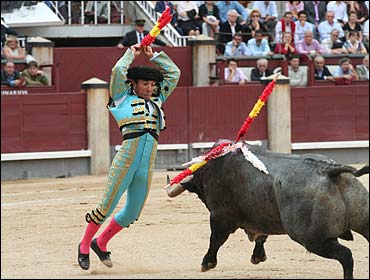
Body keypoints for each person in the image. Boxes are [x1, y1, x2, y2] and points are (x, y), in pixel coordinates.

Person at [77, 43, 180, 270]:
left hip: (147, 162)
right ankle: (84, 245)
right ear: (133, 84)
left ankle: (100, 242)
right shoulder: (121, 96)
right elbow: (117, 72)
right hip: (126, 158)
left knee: (133, 211)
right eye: (145, 84)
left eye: (153, 85)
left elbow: (174, 74)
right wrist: (130, 54)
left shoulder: (157, 100)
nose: (150, 88)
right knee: (107, 205)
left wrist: (156, 57)